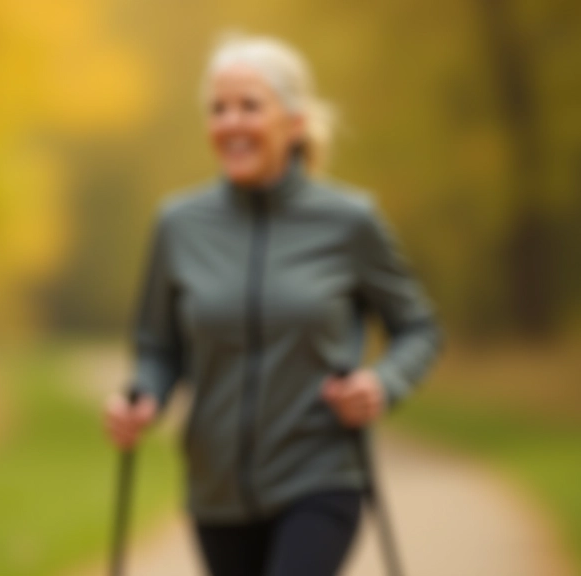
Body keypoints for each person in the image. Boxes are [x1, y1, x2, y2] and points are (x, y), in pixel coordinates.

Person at [104, 32, 442, 576]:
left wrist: (382, 383)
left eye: (249, 106)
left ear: (296, 121)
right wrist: (143, 395)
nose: (231, 123)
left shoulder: (349, 222)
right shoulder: (179, 226)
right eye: (218, 109)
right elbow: (157, 345)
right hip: (216, 491)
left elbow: (418, 328)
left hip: (320, 475)